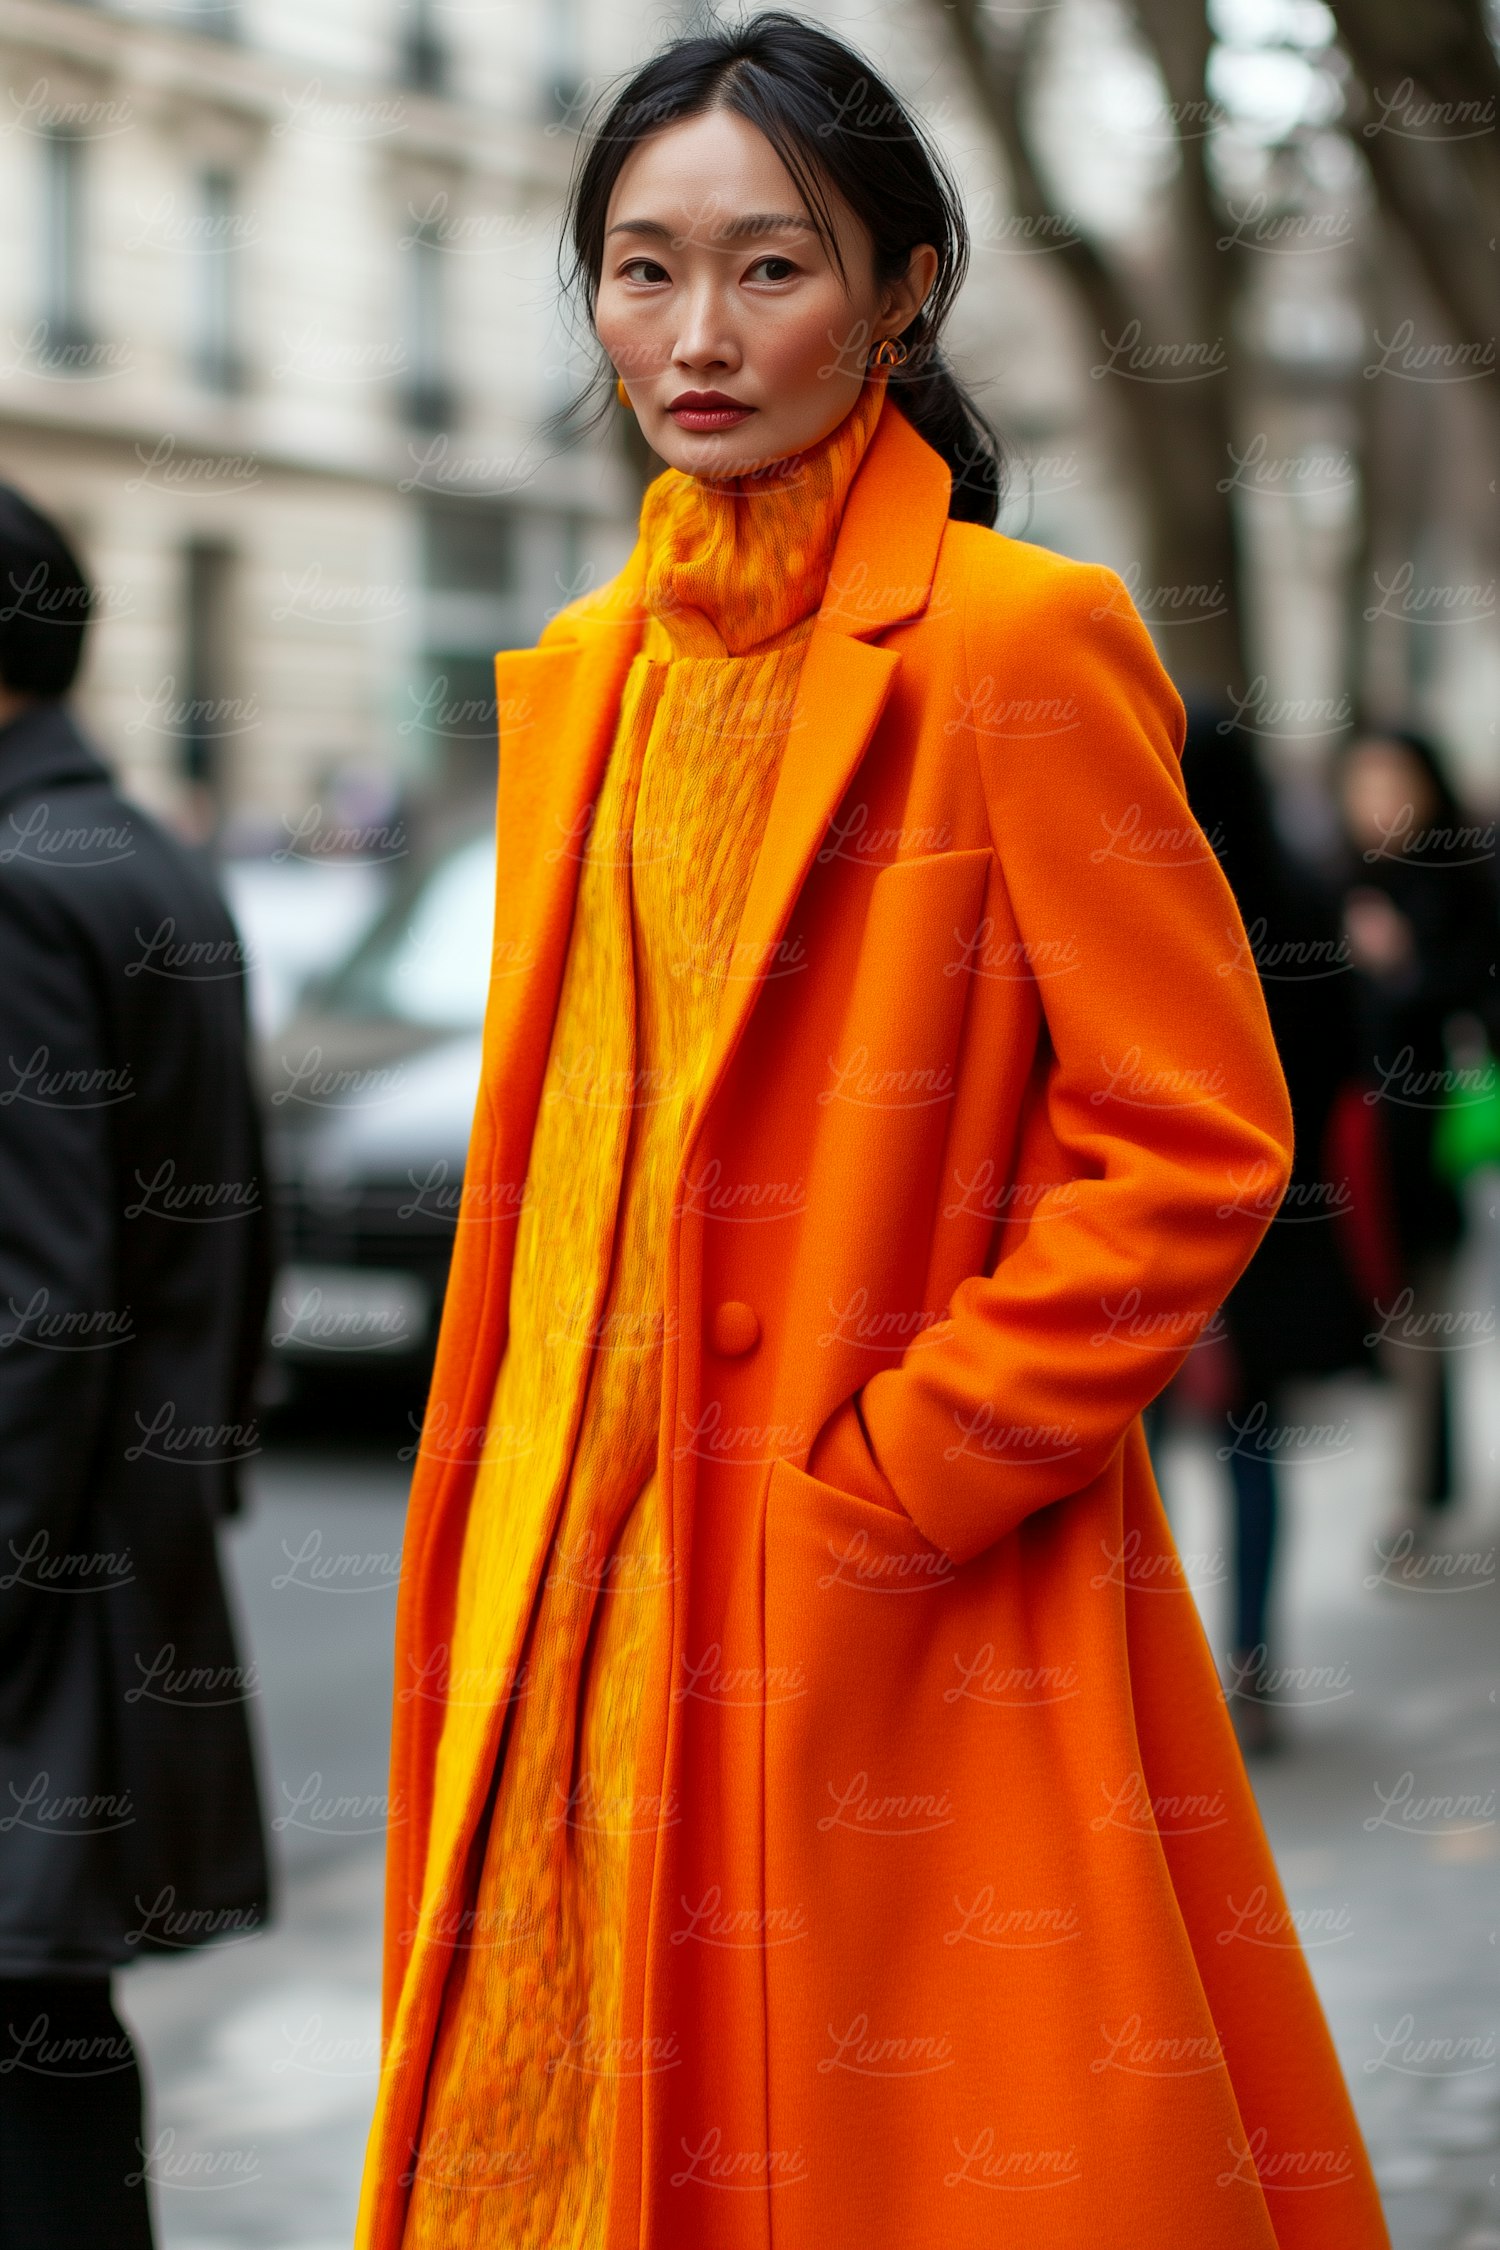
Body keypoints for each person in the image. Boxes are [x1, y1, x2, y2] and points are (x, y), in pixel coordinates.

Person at [358, 16, 1390, 2248]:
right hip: (572, 1597)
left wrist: (909, 1471)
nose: (695, 335)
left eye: (768, 267)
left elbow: (1197, 1129)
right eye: (641, 272)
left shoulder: (1020, 643)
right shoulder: (586, 673)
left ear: (905, 289)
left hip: (878, 1607)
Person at [0, 488, 273, 2249]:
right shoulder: (137, 854)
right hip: (120, 1557)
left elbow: (36, 1304)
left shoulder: (20, 885)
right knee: (48, 2035)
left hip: (38, 1586)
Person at [1144, 706, 1376, 1755]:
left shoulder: (1150, 917)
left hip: (1148, 1232)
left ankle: (1141, 1679)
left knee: (1132, 1465)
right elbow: (1344, 1069)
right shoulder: (1305, 911)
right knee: (1251, 1450)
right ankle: (1256, 1668)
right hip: (1279, 1229)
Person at [1335, 725, 1498, 1550]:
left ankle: (1421, 1497)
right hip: (1360, 1145)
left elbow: (1467, 998)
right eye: (1361, 784)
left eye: (1392, 781)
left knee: (1421, 1315)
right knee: (1402, 1318)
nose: (1376, 802)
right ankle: (1425, 1487)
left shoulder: (1456, 882)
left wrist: (1400, 966)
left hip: (1434, 1139)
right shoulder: (1339, 882)